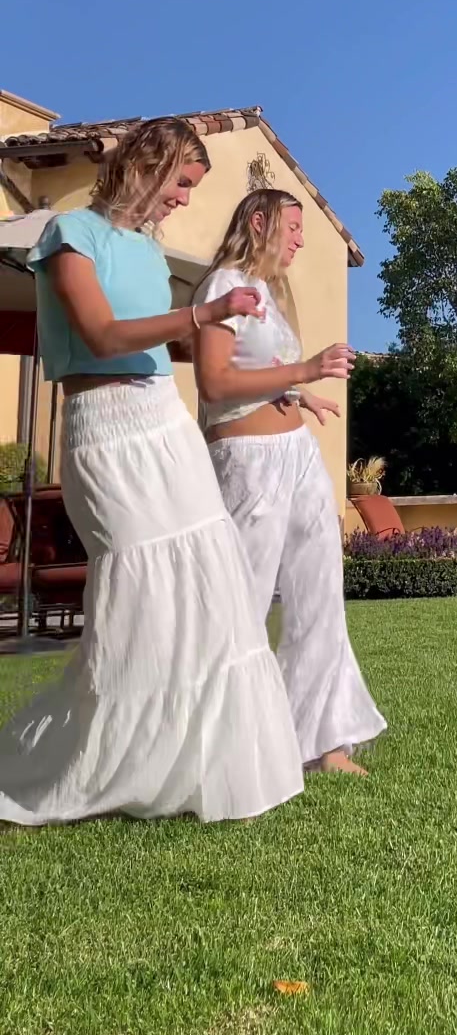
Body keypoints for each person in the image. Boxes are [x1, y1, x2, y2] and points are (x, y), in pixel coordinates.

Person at [0, 118, 306, 828]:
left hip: (165, 422)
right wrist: (201, 313)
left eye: (193, 188)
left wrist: (279, 377)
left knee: (207, 584)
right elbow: (103, 335)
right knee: (137, 590)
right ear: (147, 165)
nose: (184, 200)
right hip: (103, 429)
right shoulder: (69, 235)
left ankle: (197, 767)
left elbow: (174, 347)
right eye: (182, 183)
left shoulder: (147, 250)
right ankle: (100, 765)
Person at [192, 188, 386, 777]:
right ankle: (228, 749)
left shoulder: (269, 296)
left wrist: (298, 393)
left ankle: (323, 744)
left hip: (297, 455)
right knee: (243, 599)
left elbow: (260, 372)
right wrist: (305, 370)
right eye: (293, 227)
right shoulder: (222, 288)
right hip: (247, 462)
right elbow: (214, 384)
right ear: (259, 222)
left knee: (319, 595)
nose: (301, 239)